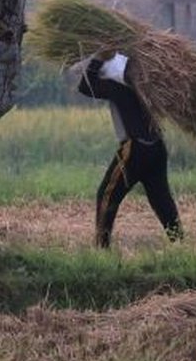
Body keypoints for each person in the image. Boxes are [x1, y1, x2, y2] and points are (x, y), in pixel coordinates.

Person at [77, 53, 183, 248]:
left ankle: (101, 248)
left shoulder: (119, 87)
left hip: (135, 149)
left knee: (106, 195)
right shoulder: (147, 86)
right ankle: (179, 243)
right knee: (161, 199)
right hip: (157, 148)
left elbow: (84, 86)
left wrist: (98, 59)